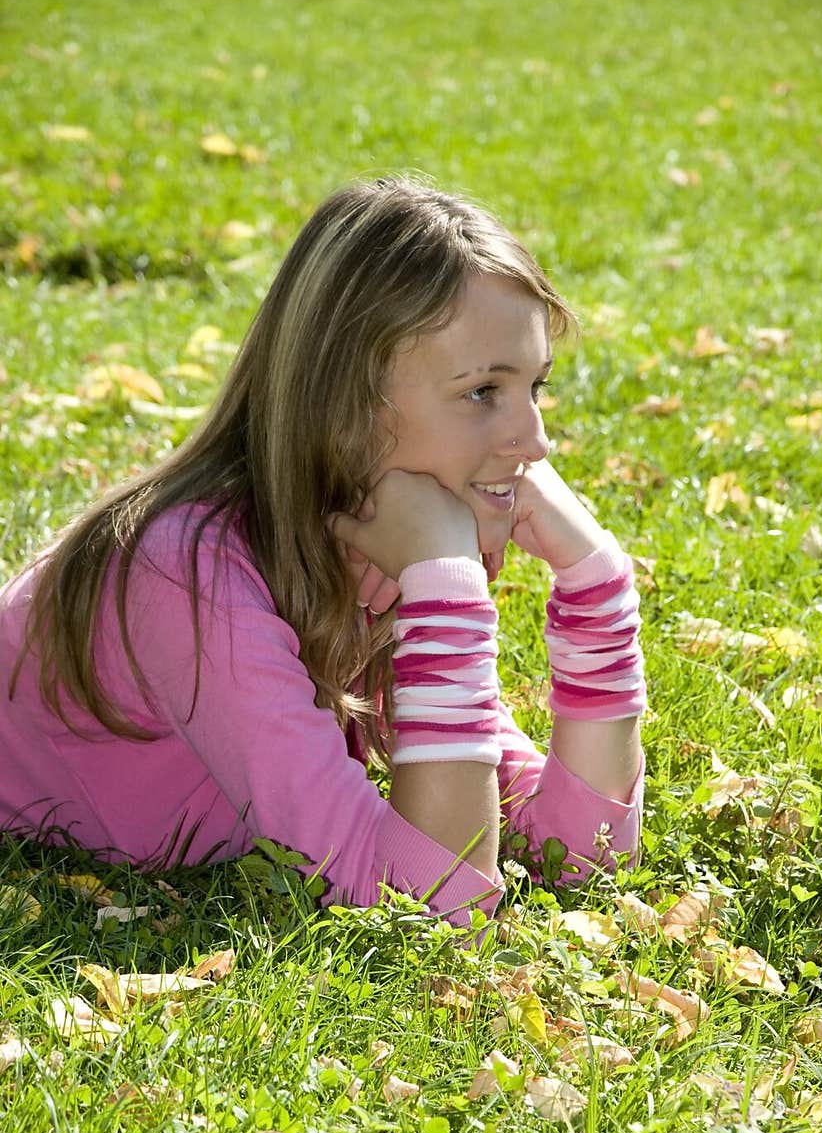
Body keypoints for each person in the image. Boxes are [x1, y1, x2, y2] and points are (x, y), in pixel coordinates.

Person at [0, 175, 647, 929]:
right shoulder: (185, 572)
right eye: (482, 392)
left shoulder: (375, 554)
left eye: (535, 385)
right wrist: (447, 582)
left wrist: (597, 580)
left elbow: (581, 859)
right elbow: (434, 906)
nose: (535, 440)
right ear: (346, 407)